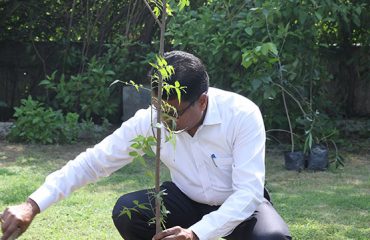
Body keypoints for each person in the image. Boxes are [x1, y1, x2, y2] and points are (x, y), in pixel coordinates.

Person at [0, 51, 291, 240]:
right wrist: (32, 204)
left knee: (272, 237)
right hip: (184, 200)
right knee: (129, 210)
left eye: (173, 113)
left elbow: (248, 194)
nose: (163, 120)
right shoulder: (153, 120)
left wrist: (195, 234)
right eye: (158, 108)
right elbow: (95, 161)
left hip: (237, 204)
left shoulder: (241, 114)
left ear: (202, 101)